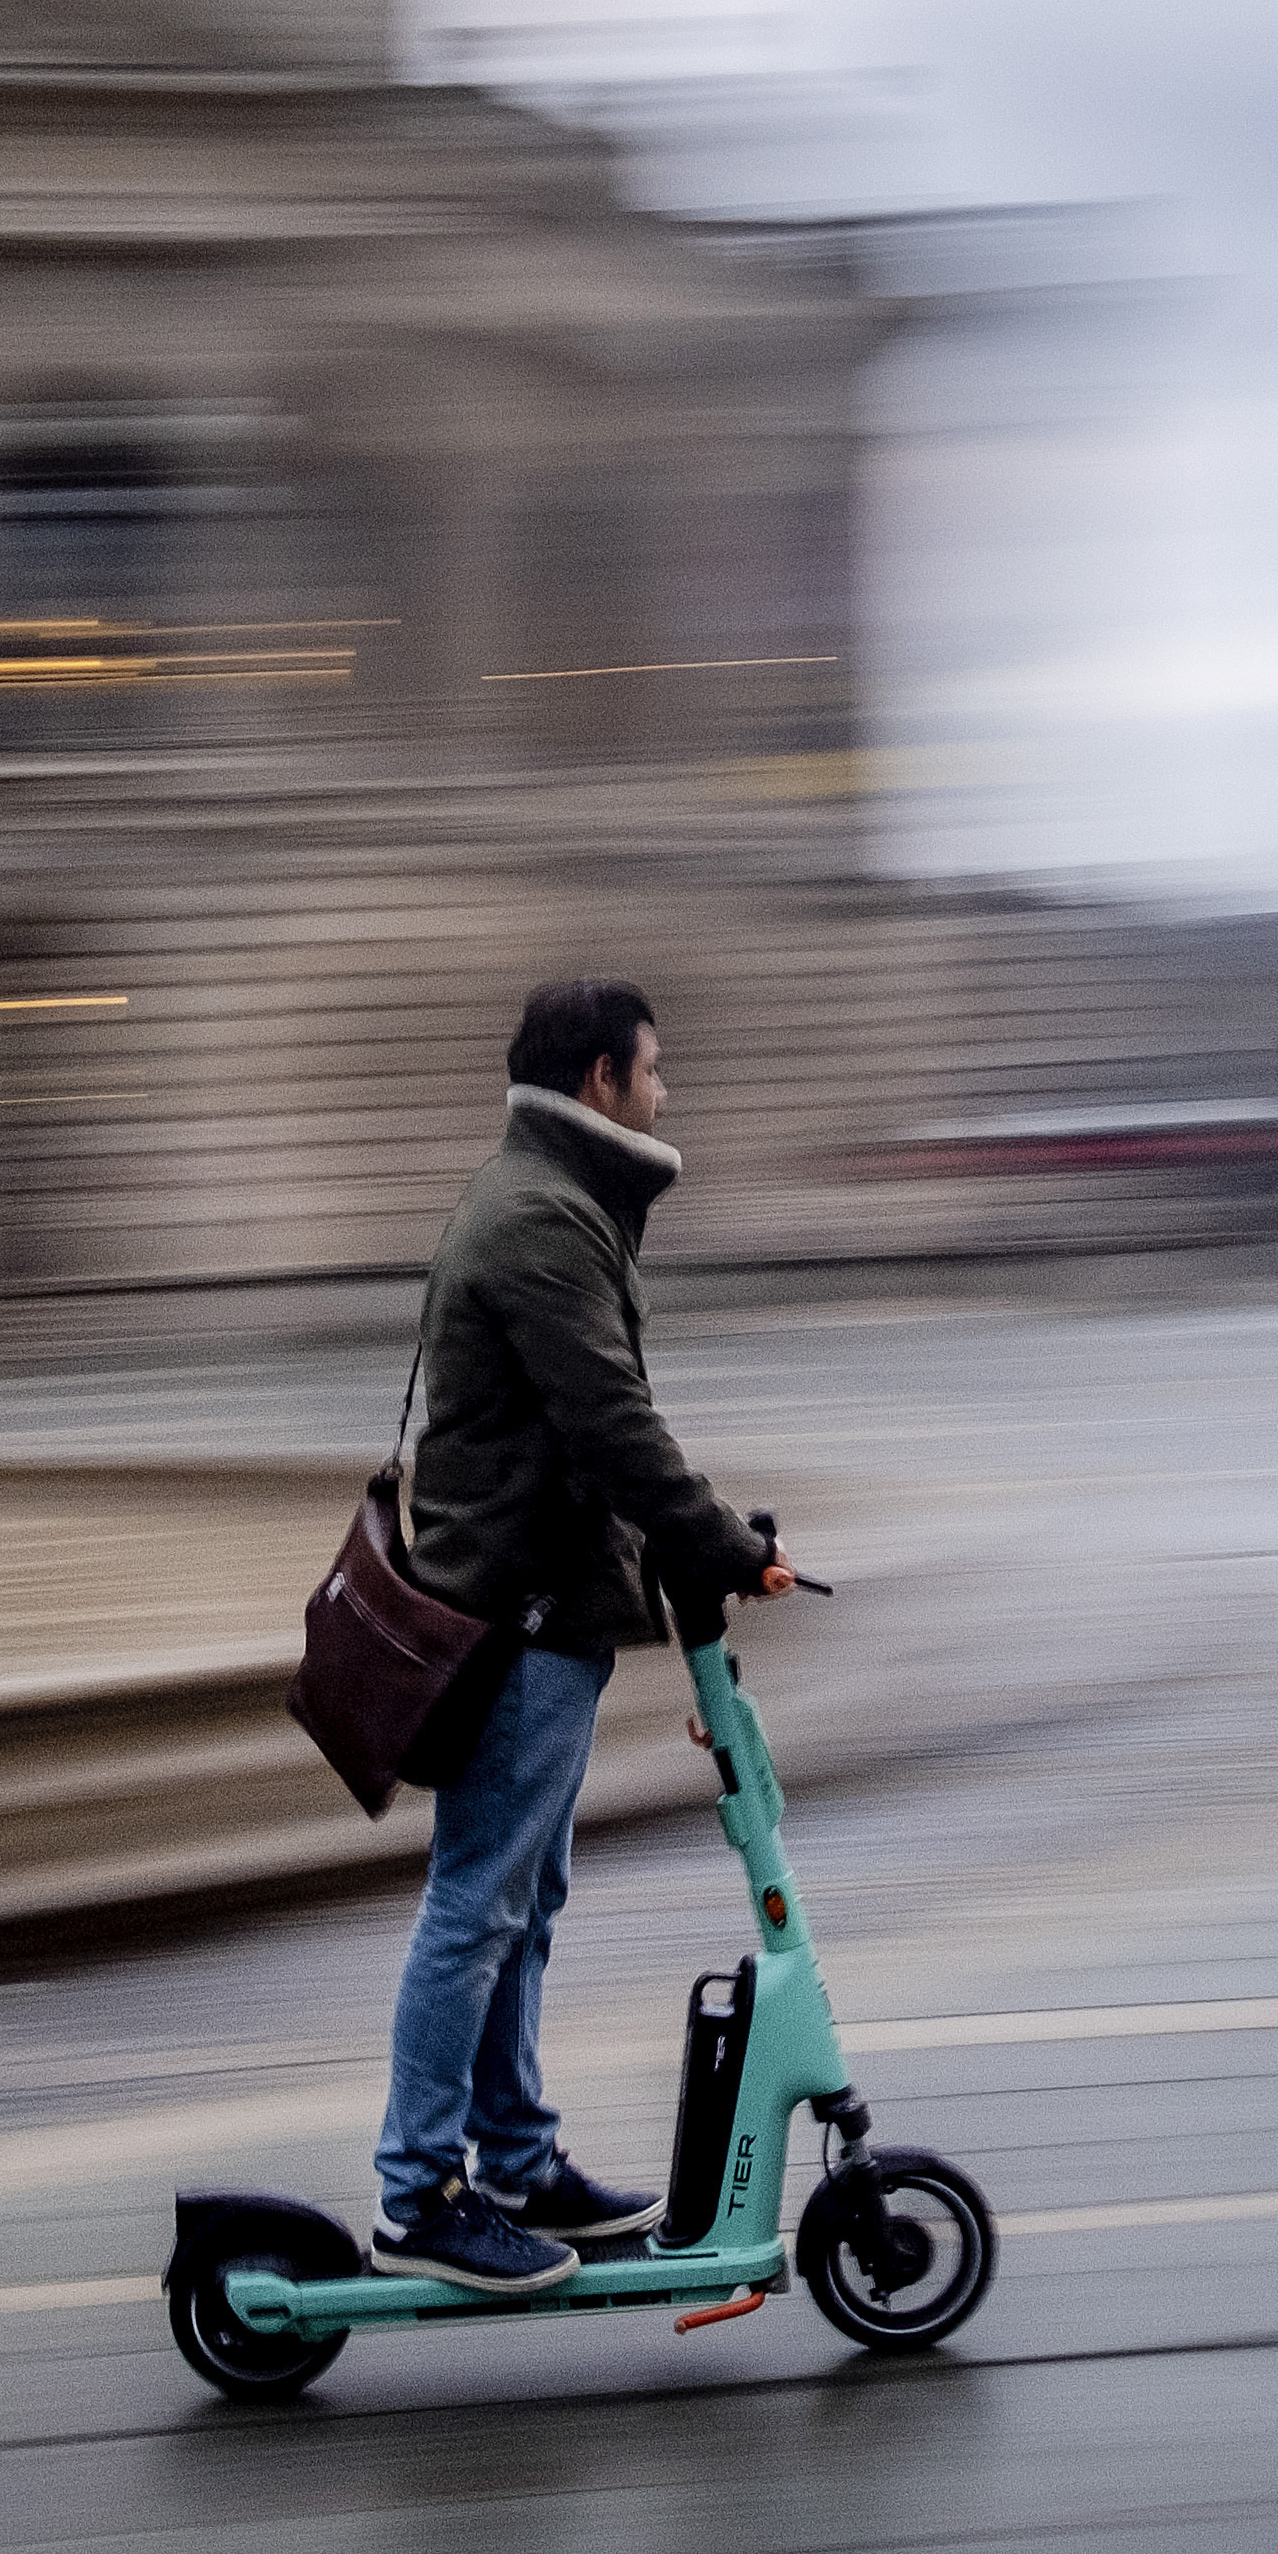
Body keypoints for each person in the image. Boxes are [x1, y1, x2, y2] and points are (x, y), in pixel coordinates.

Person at [368, 973, 796, 2293]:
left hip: (536, 1600)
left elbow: (585, 1430)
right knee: (477, 1898)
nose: (666, 1093)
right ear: (601, 1081)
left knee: (519, 1897)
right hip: (518, 1606)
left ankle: (514, 2156)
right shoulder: (542, 1218)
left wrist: (701, 1540)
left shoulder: (542, 1199)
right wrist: (720, 1541)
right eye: (655, 1071)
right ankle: (419, 2190)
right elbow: (610, 1425)